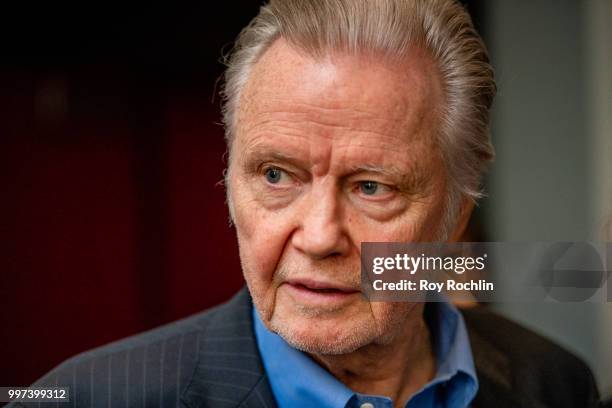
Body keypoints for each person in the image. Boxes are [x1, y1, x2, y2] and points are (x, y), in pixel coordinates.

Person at [10, 0, 600, 407]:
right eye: (275, 174)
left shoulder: (553, 382)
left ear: (457, 215)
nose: (318, 236)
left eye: (373, 187)